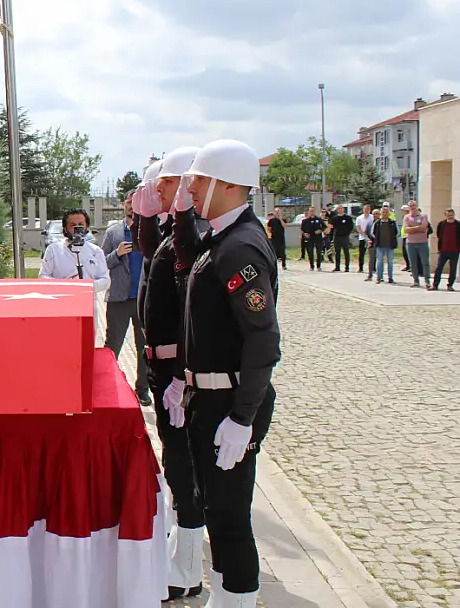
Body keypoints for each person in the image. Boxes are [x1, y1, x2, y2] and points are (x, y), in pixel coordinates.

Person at [176, 139, 278, 608]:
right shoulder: (220, 239)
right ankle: (225, 596)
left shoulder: (240, 248)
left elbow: (262, 340)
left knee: (231, 516)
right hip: (208, 397)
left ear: (229, 185)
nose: (190, 188)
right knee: (216, 508)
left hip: (227, 403)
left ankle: (238, 599)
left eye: (198, 178)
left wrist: (242, 418)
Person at [133, 145, 207, 600]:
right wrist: (145, 216)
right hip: (163, 362)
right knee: (177, 461)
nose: (153, 191)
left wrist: (182, 371)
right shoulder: (170, 233)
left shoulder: (190, 236)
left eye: (161, 185)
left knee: (184, 464)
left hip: (177, 365)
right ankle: (182, 551)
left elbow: (190, 310)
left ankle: (189, 565)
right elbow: (149, 251)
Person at [102, 187, 151, 405]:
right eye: (129, 202)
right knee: (112, 345)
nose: (132, 205)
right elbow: (101, 263)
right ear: (124, 204)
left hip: (145, 299)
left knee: (145, 347)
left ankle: (142, 390)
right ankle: (105, 386)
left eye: (137, 201)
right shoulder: (113, 233)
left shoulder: (151, 231)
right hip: (119, 299)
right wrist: (117, 253)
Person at [39, 207, 111, 318]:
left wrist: (86, 286)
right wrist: (66, 286)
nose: (77, 228)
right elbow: (43, 276)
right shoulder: (53, 250)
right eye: (72, 225)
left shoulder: (96, 251)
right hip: (60, 305)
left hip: (88, 305)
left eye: (80, 224)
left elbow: (105, 280)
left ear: (87, 227)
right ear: (65, 228)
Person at [404, 200, 431, 289]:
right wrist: (418, 228)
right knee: (413, 263)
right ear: (408, 207)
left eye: (414, 205)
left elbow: (424, 227)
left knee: (425, 263)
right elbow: (406, 229)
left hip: (423, 242)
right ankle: (416, 281)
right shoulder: (407, 217)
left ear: (417, 205)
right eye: (411, 205)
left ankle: (427, 281)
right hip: (411, 243)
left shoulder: (423, 216)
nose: (412, 207)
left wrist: (412, 229)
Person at [430, 207, 459, 292]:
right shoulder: (442, 224)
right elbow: (439, 235)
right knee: (439, 268)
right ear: (445, 215)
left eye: (451, 215)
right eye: (448, 215)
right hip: (443, 251)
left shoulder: (458, 225)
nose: (450, 216)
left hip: (455, 251)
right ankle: (435, 285)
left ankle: (450, 285)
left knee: (453, 269)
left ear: (454, 215)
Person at [371, 205, 399, 284]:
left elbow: (398, 233)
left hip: (390, 246)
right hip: (380, 246)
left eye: (386, 212)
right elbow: (372, 233)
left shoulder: (393, 223)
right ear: (381, 213)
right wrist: (377, 239)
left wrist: (393, 239)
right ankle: (379, 277)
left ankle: (390, 278)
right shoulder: (377, 223)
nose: (385, 214)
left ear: (389, 213)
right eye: (383, 212)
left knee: (390, 262)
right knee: (380, 262)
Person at [329, 205, 355, 272]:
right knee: (337, 252)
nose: (340, 210)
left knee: (346, 252)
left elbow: (351, 227)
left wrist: (347, 234)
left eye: (341, 208)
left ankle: (347, 267)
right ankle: (337, 267)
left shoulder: (348, 218)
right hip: (337, 237)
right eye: (338, 209)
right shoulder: (335, 218)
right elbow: (331, 226)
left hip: (345, 237)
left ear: (343, 209)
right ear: (337, 210)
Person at [356, 204, 374, 274]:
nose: (367, 210)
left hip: (371, 238)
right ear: (363, 209)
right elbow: (358, 228)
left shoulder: (372, 217)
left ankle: (373, 268)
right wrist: (364, 236)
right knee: (361, 253)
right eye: (365, 209)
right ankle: (360, 268)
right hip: (362, 238)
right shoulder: (359, 218)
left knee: (372, 254)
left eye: (368, 209)